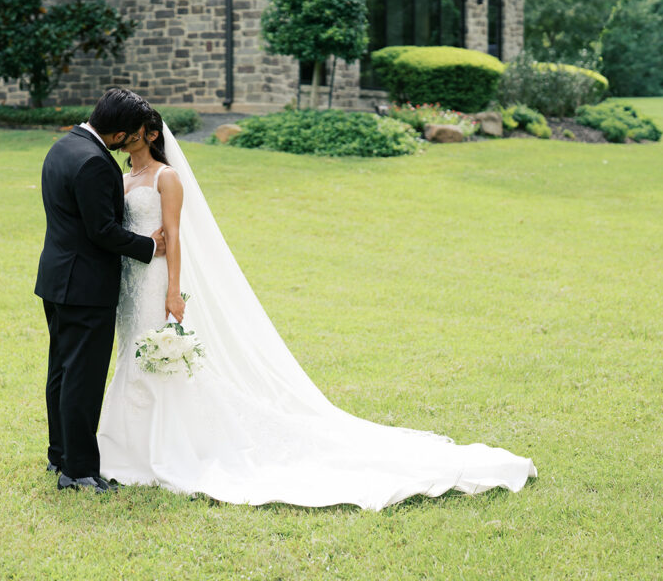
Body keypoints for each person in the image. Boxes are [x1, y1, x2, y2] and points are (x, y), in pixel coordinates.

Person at [97, 111, 537, 509]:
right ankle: (128, 446)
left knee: (162, 359)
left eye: (134, 132)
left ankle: (170, 446)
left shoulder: (165, 177)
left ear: (152, 134)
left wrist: (174, 291)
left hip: (157, 281)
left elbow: (173, 236)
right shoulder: (123, 178)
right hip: (131, 284)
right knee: (132, 355)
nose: (126, 138)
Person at [35, 88, 167, 494]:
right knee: (83, 378)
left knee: (61, 369)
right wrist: (148, 246)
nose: (126, 145)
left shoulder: (64, 146)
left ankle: (59, 452)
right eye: (125, 136)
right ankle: (78, 471)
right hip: (85, 287)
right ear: (119, 130)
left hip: (57, 279)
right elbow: (102, 231)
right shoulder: (95, 162)